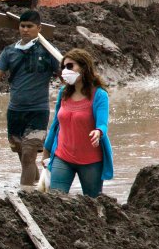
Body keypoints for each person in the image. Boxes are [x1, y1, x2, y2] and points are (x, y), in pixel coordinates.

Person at [0, 10, 59, 187]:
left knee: (29, 154)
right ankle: (36, 184)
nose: (25, 30)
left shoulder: (49, 53)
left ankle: (24, 195)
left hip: (38, 111)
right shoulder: (10, 52)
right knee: (23, 156)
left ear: (39, 28)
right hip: (15, 112)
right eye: (23, 26)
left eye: (30, 26)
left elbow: (64, 76)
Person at [42, 49, 113, 197]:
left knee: (93, 203)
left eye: (70, 66)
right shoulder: (63, 93)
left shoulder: (99, 95)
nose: (65, 71)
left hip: (91, 161)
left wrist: (98, 132)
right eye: (63, 67)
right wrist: (46, 152)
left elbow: (103, 124)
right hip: (62, 157)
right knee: (56, 201)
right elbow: (56, 125)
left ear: (84, 67)